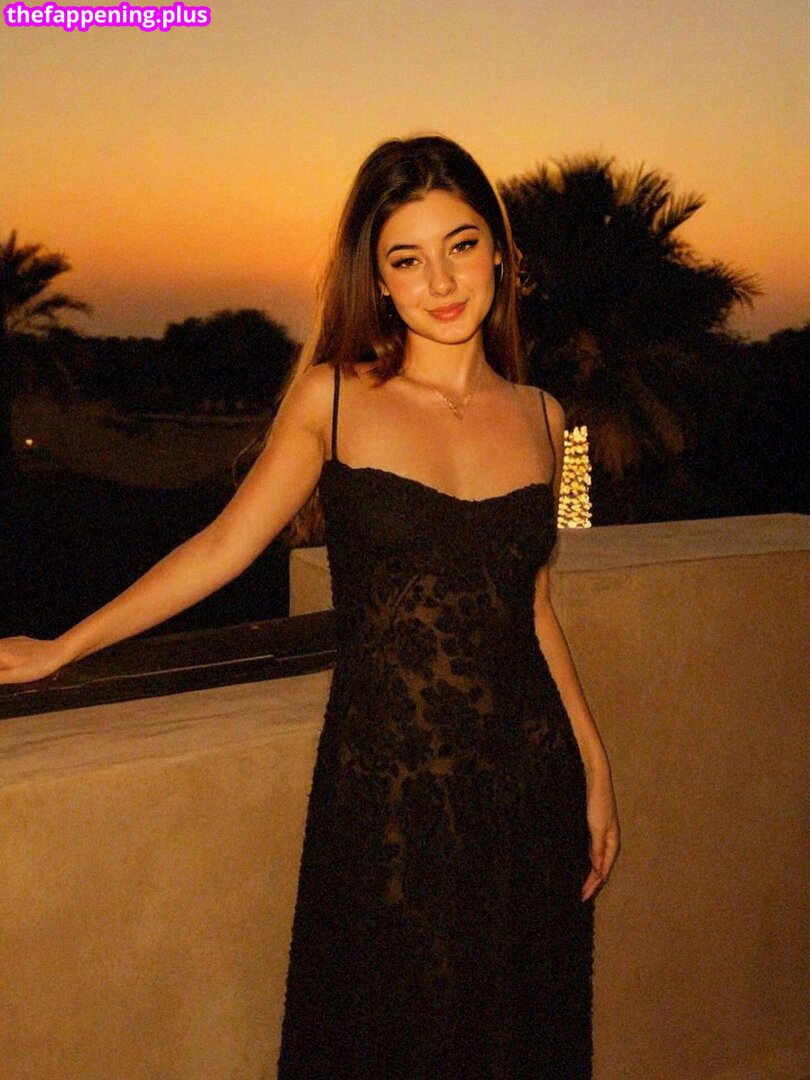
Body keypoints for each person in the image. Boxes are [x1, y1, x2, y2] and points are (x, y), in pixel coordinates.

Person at [0, 135, 620, 1078]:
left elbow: (531, 603)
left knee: (517, 1038)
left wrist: (594, 763)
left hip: (528, 787)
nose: (440, 281)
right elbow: (222, 547)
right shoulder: (334, 399)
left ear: (500, 252)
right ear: (377, 280)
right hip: (388, 794)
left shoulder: (545, 417)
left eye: (460, 245)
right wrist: (63, 647)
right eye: (406, 259)